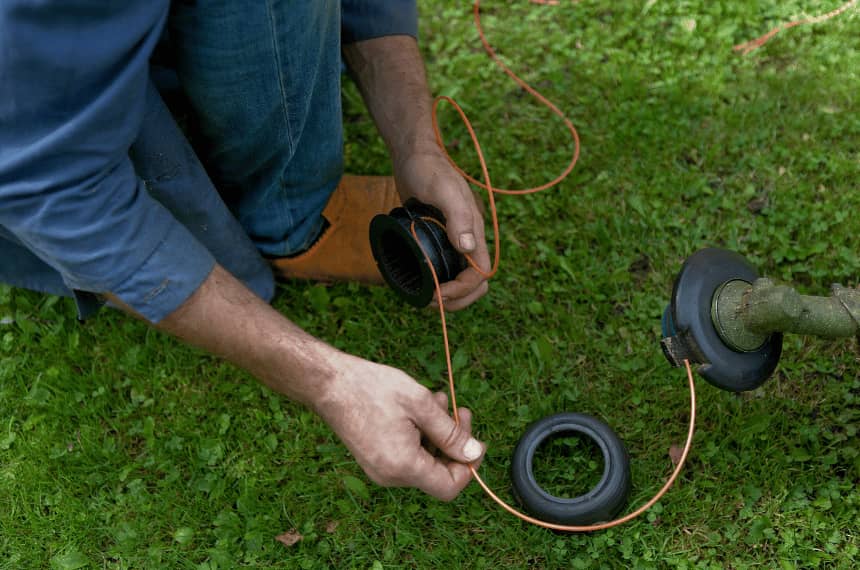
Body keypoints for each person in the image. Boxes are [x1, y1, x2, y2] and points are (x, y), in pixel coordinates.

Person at [0, 1, 491, 501]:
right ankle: (288, 223)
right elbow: (52, 192)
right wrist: (331, 383)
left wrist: (416, 145)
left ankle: (279, 194)